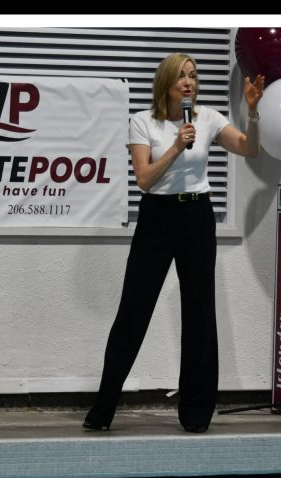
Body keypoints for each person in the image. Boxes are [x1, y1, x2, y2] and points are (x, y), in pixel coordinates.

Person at [84, 53, 264, 434]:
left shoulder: (208, 119)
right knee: (133, 310)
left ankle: (196, 415)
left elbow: (250, 149)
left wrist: (253, 111)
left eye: (194, 76)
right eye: (181, 76)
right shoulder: (143, 122)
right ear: (165, 82)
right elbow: (145, 179)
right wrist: (176, 147)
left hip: (196, 217)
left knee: (199, 313)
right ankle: (102, 410)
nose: (189, 82)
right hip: (157, 218)